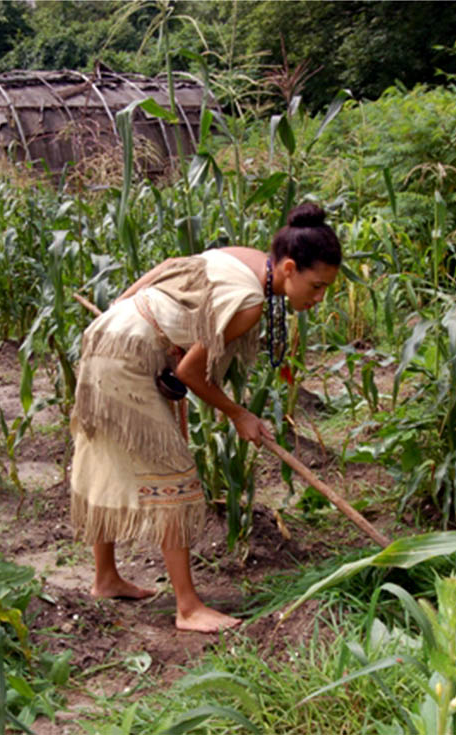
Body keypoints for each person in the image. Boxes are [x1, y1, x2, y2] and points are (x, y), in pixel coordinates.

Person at [70, 201, 342, 633]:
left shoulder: (249, 258)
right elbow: (189, 373)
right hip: (125, 358)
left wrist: (123, 309)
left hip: (110, 338)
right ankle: (188, 608)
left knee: (106, 460)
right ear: (290, 267)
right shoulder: (250, 302)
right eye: (317, 286)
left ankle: (105, 579)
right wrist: (239, 415)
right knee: (175, 477)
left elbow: (168, 268)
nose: (319, 297)